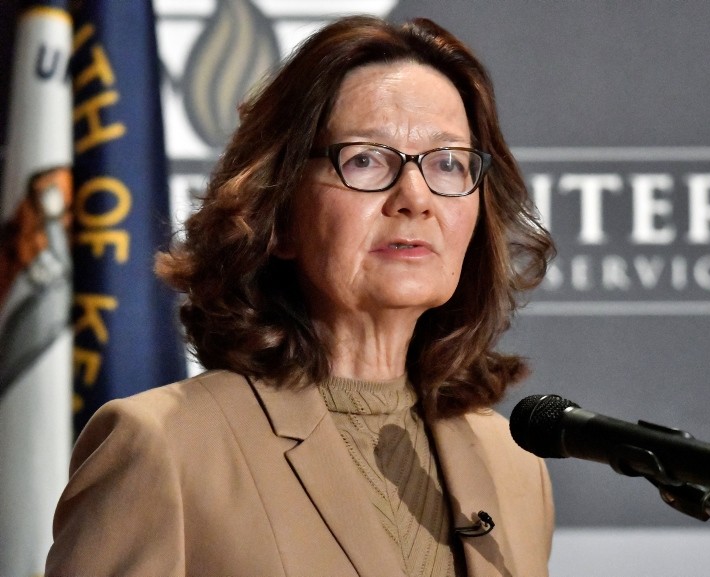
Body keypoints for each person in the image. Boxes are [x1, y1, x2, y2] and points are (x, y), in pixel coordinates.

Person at [45, 15, 556, 577]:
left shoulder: (513, 465)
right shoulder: (164, 447)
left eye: (448, 163)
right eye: (365, 159)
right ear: (279, 213)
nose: (415, 196)